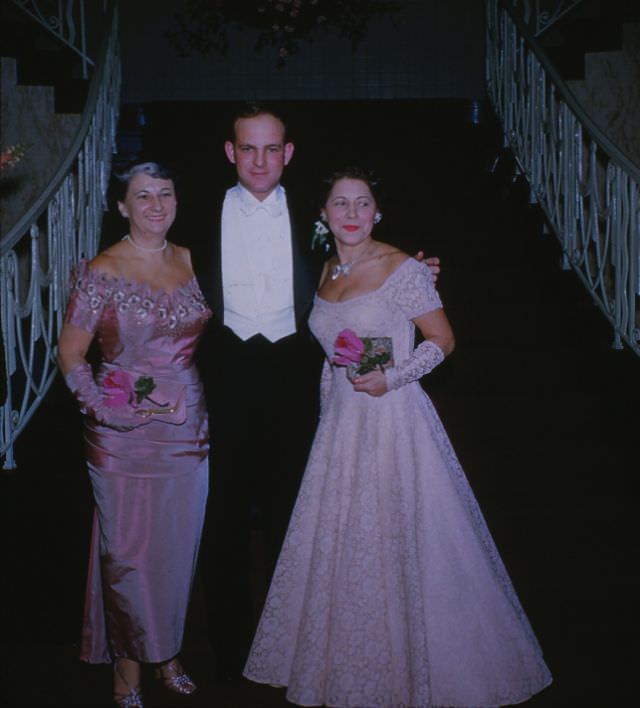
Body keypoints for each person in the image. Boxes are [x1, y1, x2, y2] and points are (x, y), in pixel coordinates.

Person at [243, 168, 553, 707]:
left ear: (377, 212)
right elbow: (328, 358)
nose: (353, 213)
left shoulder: (403, 267)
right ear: (323, 214)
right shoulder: (325, 271)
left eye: (363, 203)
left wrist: (393, 377)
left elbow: (443, 340)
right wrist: (329, 411)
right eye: (341, 203)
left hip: (393, 421)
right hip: (342, 426)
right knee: (346, 549)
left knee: (403, 541)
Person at [192, 103, 442, 681]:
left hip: (298, 381)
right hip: (225, 378)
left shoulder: (318, 208)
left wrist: (416, 271)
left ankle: (293, 647)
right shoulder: (195, 212)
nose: (260, 160)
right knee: (224, 517)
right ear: (231, 152)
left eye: (271, 149)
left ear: (288, 153)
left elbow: (363, 260)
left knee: (298, 514)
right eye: (248, 149)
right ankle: (230, 651)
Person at [57, 161, 212, 707]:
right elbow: (71, 354)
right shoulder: (101, 269)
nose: (155, 205)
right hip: (120, 433)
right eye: (142, 196)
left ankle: (167, 650)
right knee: (126, 552)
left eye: (165, 194)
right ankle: (127, 669)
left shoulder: (194, 260)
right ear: (121, 207)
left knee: (175, 549)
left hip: (186, 429)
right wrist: (102, 410)